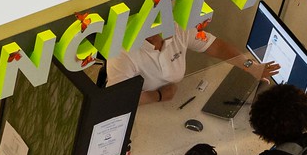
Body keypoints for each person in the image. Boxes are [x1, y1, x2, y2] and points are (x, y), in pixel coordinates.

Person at [107, 20, 277, 105]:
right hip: (143, 110)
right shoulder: (122, 53)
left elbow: (216, 47)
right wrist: (158, 96)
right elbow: (117, 99)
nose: (172, 30)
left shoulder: (177, 26)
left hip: (172, 104)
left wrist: (251, 67)